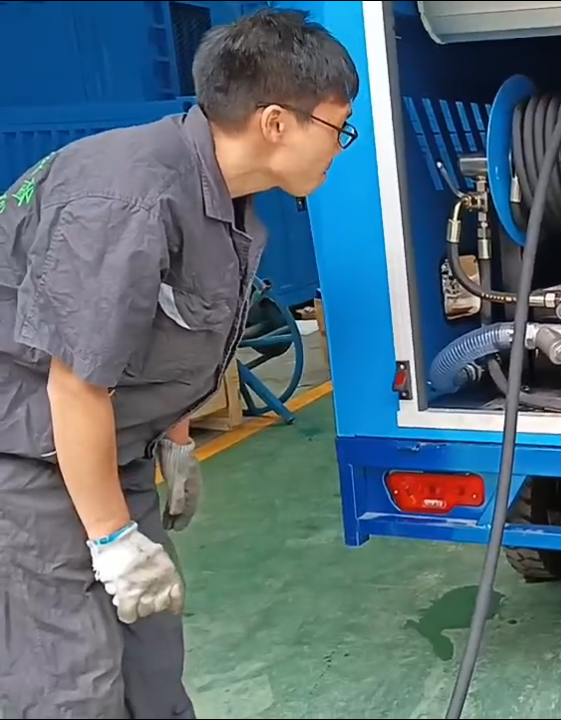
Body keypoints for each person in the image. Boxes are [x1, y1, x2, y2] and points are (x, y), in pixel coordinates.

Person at [0, 8, 359, 718]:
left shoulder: (224, 194)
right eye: (338, 127)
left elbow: (170, 329)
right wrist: (111, 540)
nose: (340, 147)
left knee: (153, 662)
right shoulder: (126, 199)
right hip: (27, 458)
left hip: (106, 449)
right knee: (71, 682)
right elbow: (74, 384)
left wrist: (176, 436)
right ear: (276, 123)